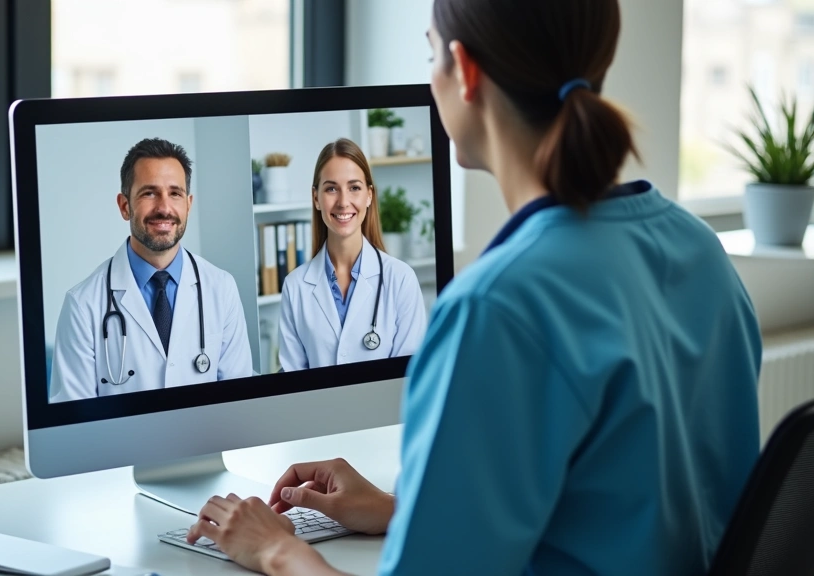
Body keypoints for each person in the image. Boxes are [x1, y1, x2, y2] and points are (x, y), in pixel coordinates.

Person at [184, 0, 763, 574]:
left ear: (464, 72)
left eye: (430, 53)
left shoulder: (496, 308)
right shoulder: (698, 248)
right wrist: (399, 509)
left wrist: (275, 548)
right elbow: (610, 501)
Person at [49, 138, 253, 402]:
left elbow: (240, 401)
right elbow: (73, 422)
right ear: (125, 206)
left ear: (188, 204)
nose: (164, 208)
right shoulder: (82, 304)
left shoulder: (222, 288)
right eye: (149, 193)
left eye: (175, 193)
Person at [278, 138, 427, 372]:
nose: (343, 202)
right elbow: (292, 385)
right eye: (331, 189)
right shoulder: (295, 287)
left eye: (354, 188)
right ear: (316, 198)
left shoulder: (400, 279)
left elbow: (409, 380)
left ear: (369, 195)